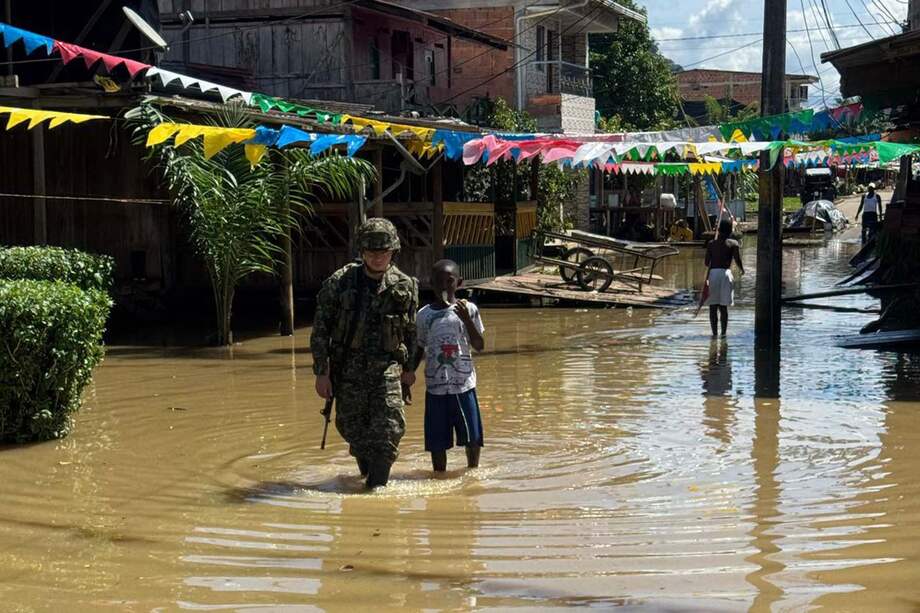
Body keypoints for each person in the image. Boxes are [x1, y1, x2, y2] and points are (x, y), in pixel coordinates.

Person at [310, 218, 419, 489]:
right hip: (348, 368)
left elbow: (412, 331)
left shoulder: (404, 286)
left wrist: (409, 370)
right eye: (371, 252)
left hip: (387, 367)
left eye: (383, 252)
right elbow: (321, 329)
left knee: (389, 428)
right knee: (354, 430)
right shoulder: (341, 282)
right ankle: (367, 479)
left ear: (393, 251)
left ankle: (375, 491)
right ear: (362, 252)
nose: (378, 257)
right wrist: (321, 372)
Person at [411, 260, 485, 473]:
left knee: (472, 438)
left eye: (449, 281)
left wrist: (466, 320)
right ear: (430, 283)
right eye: (438, 281)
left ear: (459, 283)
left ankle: (473, 473)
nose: (444, 286)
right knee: (437, 442)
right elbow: (419, 347)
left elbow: (479, 345)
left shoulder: (468, 309)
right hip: (435, 388)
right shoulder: (424, 315)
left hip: (463, 385)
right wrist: (409, 375)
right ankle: (439, 477)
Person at [703, 219, 744, 336]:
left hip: (713, 274)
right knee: (723, 307)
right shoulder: (733, 243)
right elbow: (737, 259)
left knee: (713, 307)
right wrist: (742, 269)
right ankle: (724, 334)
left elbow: (706, 263)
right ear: (730, 230)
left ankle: (714, 334)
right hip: (726, 274)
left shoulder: (711, 244)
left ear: (719, 230)